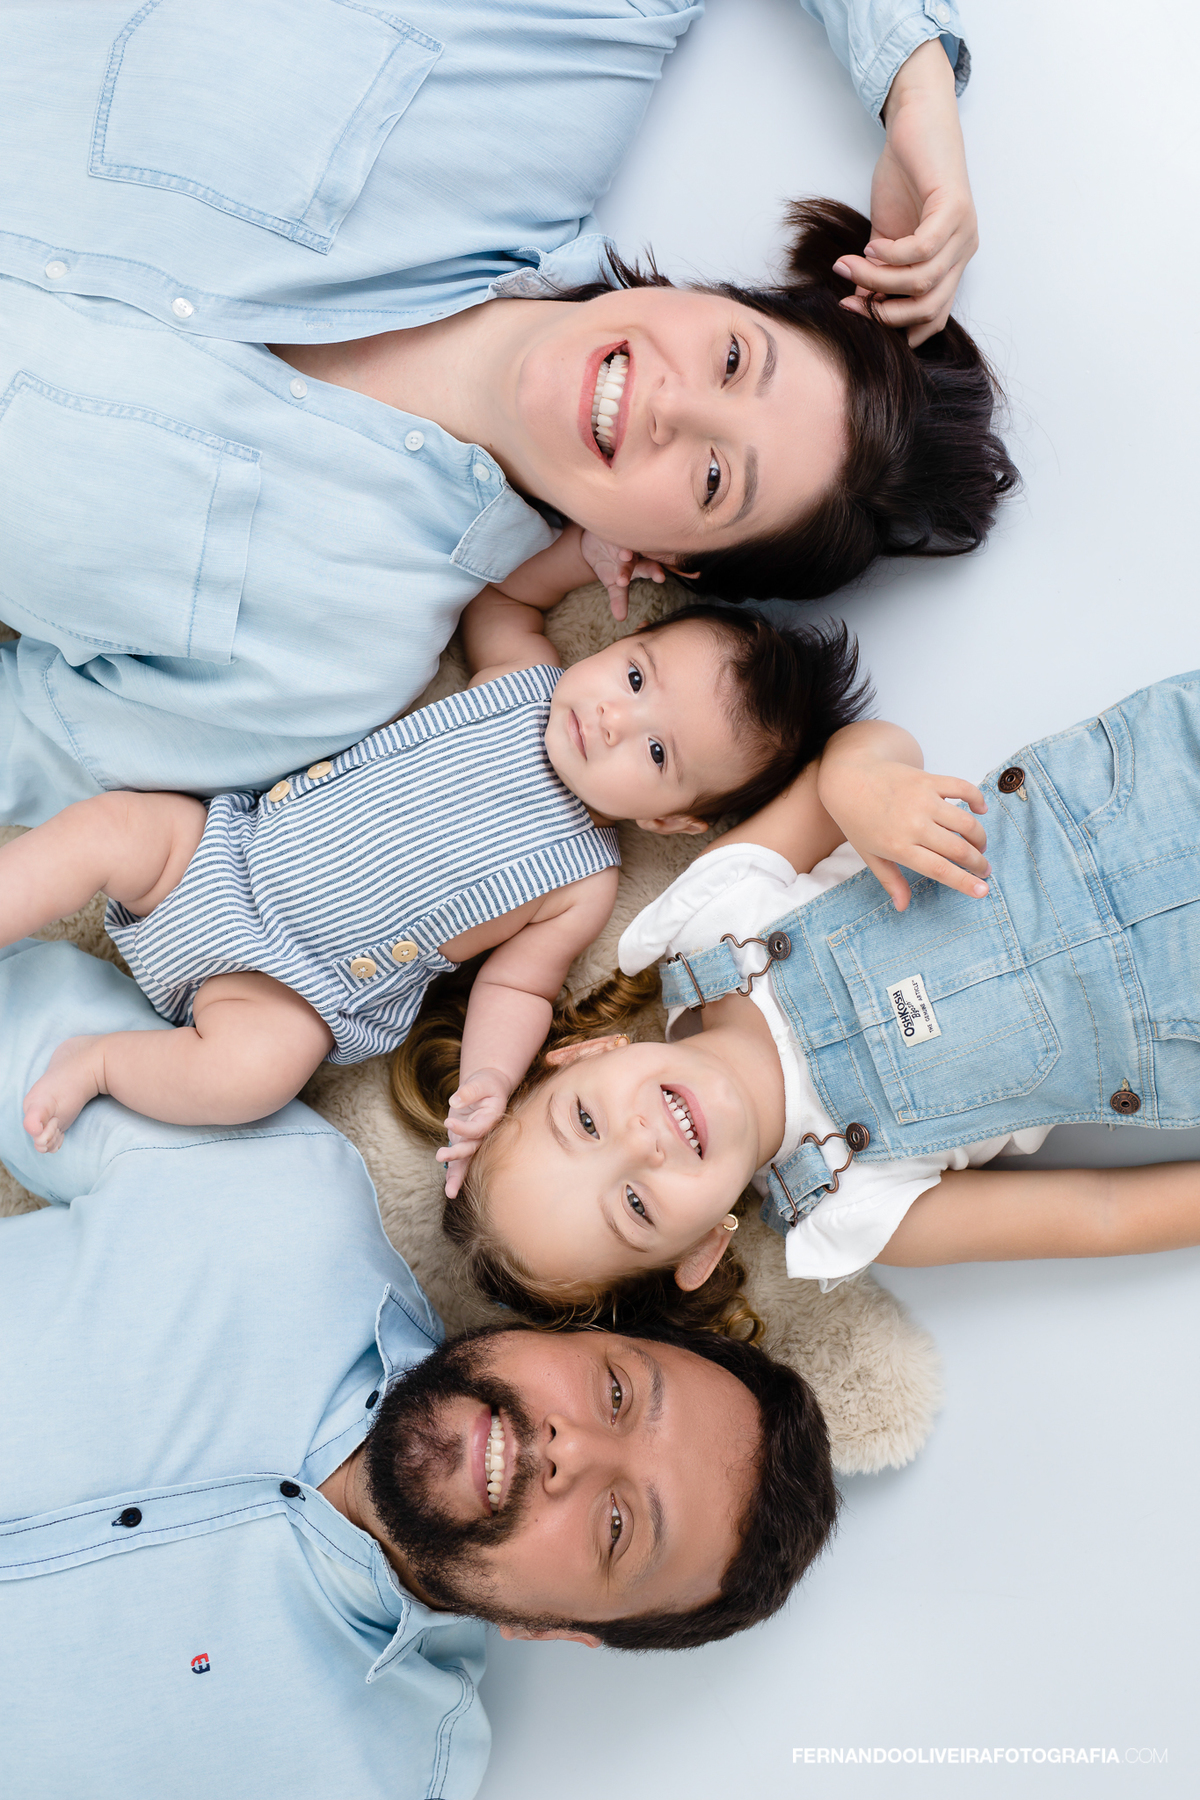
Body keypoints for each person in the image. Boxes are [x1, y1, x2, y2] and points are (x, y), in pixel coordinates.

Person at [0, 0, 1003, 827]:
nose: (672, 402)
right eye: (735, 358)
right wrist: (915, 91)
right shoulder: (560, 60)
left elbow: (24, 757)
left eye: (712, 478)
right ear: (731, 298)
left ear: (662, 565)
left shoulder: (328, 664)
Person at [0, 936, 836, 1800]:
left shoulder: (381, 1774)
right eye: (615, 1394)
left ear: (558, 1632)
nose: (569, 1452)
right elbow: (25, 1032)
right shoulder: (277, 1196)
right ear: (565, 1333)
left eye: (617, 1524)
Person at [391, 670, 1200, 1325]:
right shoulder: (856, 1208)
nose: (641, 1142)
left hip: (1141, 797)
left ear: (586, 1053)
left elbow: (864, 754)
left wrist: (864, 788)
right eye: (634, 1204)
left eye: (587, 1122)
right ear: (701, 1249)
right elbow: (1100, 1214)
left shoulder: (712, 925)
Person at [1, 581, 866, 1150]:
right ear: (620, 641)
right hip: (222, 855)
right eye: (635, 679)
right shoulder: (527, 675)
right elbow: (507, 594)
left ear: (669, 818)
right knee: (113, 827)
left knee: (260, 1075)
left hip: (283, 987)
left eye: (654, 750)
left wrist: (490, 1078)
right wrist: (583, 551)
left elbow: (517, 990)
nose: (610, 719)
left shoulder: (583, 877)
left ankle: (106, 1063)